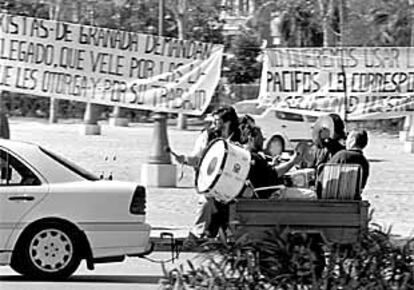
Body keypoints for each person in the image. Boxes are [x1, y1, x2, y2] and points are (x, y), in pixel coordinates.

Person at [172, 106, 241, 247]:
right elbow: (197, 158)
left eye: (217, 121)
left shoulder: (239, 136)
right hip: (211, 183)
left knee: (238, 201)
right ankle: (197, 235)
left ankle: (232, 236)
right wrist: (185, 159)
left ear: (227, 122)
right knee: (206, 201)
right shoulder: (207, 136)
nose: (213, 124)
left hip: (232, 182)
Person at [243, 126, 302, 199]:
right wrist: (293, 161)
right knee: (312, 195)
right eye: (260, 138)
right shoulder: (254, 158)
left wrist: (273, 164)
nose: (262, 141)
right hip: (271, 193)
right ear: (251, 138)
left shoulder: (248, 155)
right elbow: (274, 174)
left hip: (269, 189)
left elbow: (263, 173)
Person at [328, 129, 370, 199]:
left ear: (353, 141)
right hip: (353, 198)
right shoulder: (365, 162)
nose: (346, 141)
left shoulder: (342, 155)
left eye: (347, 138)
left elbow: (325, 173)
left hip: (332, 196)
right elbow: (361, 186)